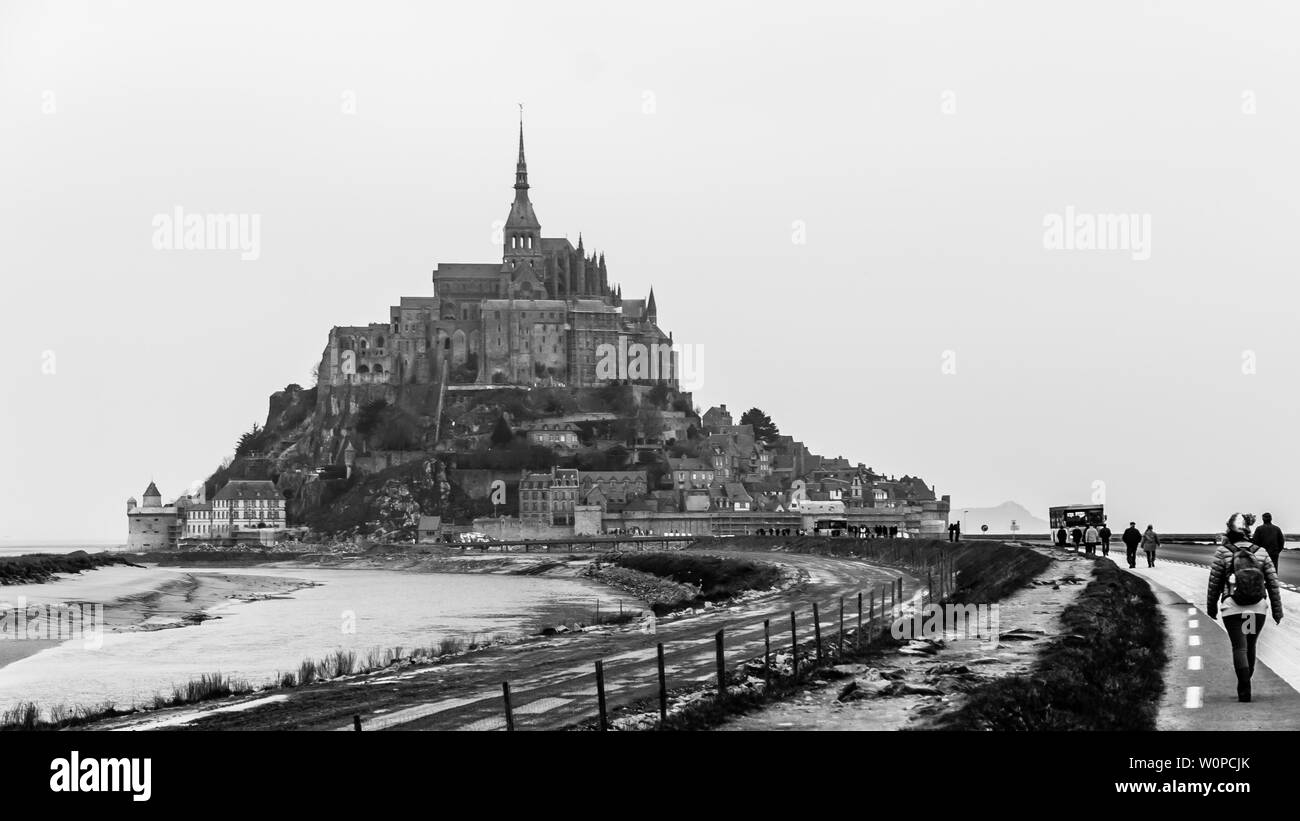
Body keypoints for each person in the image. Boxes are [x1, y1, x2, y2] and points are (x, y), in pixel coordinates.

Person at [1206, 513, 1283, 702]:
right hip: (1256, 609)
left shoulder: (1223, 552)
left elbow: (1214, 583)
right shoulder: (1262, 552)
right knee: (1250, 646)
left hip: (1233, 608)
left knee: (1239, 647)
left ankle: (1243, 687)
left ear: (1229, 531)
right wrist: (1277, 611)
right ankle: (1247, 680)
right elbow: (1273, 584)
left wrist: (1211, 607)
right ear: (1248, 532)